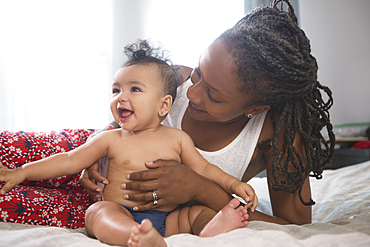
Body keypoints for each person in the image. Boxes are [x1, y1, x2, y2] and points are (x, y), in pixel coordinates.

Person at [81, 2, 335, 245]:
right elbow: (120, 121)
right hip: (112, 198)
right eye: (199, 72)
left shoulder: (277, 133)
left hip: (176, 220)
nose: (192, 93)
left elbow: (295, 227)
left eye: (213, 96)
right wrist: (95, 151)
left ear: (255, 108)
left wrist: (200, 189)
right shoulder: (175, 80)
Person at [0, 39, 257, 246]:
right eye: (116, 90)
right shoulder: (111, 139)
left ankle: (210, 231)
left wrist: (234, 184)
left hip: (170, 217)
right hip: (122, 211)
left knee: (200, 212)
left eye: (134, 89)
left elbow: (203, 170)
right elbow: (69, 160)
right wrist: (22, 172)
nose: (121, 97)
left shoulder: (178, 139)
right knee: (98, 213)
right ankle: (134, 236)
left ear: (164, 104)